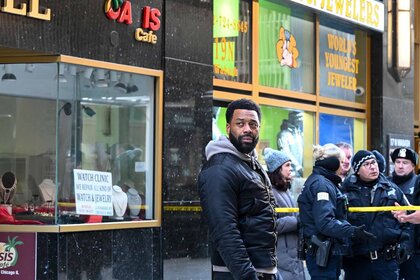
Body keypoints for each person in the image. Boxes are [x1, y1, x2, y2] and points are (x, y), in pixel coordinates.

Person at [198, 99, 279, 280]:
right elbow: (224, 231)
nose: (247, 129)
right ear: (228, 128)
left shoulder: (250, 164)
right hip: (237, 274)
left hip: (263, 270)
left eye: (253, 124)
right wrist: (248, 276)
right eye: (240, 124)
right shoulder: (219, 168)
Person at [297, 143, 375, 280]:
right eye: (341, 160)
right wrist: (352, 230)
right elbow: (325, 222)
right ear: (332, 163)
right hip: (323, 255)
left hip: (327, 252)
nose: (345, 164)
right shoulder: (322, 185)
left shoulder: (325, 182)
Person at [341, 150, 411, 280]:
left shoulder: (393, 190)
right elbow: (337, 222)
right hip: (357, 263)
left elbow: (409, 220)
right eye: (366, 164)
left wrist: (406, 245)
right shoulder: (345, 192)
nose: (373, 167)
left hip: (386, 262)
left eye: (373, 162)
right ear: (357, 170)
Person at [263, 148, 305, 280]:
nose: (291, 168)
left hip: (293, 254)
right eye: (287, 165)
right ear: (277, 169)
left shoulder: (285, 191)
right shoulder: (269, 194)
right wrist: (297, 221)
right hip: (281, 255)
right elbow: (268, 224)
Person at [388, 147, 420, 280]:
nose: (400, 166)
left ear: (413, 166)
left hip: (412, 245)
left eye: (405, 163)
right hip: (389, 244)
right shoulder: (386, 183)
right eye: (397, 162)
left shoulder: (417, 183)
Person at [277, 111, 304, 177]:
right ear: (292, 118)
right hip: (290, 171)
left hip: (300, 170)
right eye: (299, 118)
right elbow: (286, 152)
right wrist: (298, 167)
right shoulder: (284, 134)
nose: (301, 121)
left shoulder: (298, 133)